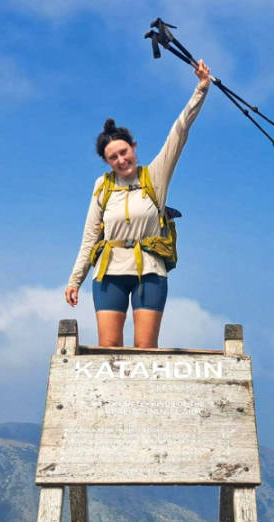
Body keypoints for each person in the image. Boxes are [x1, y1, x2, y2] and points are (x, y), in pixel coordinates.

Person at [65, 59, 212, 348]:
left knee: (145, 351)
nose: (121, 160)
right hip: (109, 272)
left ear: (133, 148)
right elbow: (90, 236)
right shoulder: (102, 186)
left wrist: (201, 89)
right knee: (108, 351)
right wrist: (74, 280)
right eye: (113, 157)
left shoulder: (155, 176)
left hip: (151, 271)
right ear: (107, 162)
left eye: (124, 152)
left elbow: (179, 132)